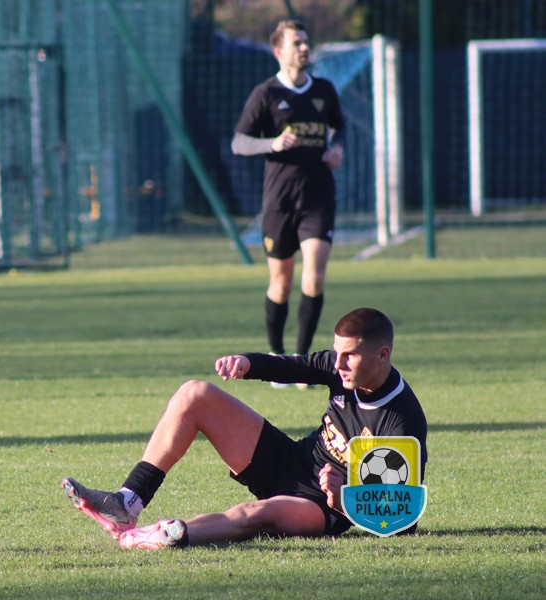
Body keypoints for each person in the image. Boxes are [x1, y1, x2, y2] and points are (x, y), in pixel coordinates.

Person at [61, 307, 427, 549]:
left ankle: (168, 535)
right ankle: (127, 502)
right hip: (292, 460)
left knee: (254, 515)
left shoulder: (402, 421)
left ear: (383, 354)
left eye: (350, 355)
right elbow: (292, 366)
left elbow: (402, 520)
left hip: (319, 505)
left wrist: (343, 497)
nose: (339, 363)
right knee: (195, 394)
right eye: (337, 352)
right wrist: (246, 363)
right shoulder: (340, 369)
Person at [231, 20, 345, 375]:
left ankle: (301, 361)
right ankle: (277, 357)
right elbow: (239, 143)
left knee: (314, 278)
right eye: (297, 43)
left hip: (318, 198)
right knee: (281, 284)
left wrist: (338, 148)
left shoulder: (324, 90)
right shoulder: (265, 93)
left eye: (306, 41)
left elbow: (339, 127)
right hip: (279, 202)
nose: (305, 48)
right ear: (279, 51)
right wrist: (273, 143)